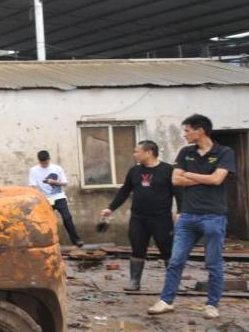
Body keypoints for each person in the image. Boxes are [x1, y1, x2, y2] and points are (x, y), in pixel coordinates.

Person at [149, 114, 235, 319]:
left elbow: (217, 180)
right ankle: (166, 301)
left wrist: (189, 174)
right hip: (187, 216)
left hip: (213, 216)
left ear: (200, 130)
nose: (184, 134)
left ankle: (212, 305)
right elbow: (176, 180)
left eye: (187, 130)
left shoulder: (224, 152)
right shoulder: (186, 152)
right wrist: (204, 178)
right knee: (176, 260)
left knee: (213, 262)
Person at [99, 140, 178, 291]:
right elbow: (124, 191)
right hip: (138, 218)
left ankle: (173, 283)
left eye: (137, 151)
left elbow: (179, 193)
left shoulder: (168, 170)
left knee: (167, 249)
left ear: (149, 153)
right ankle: (134, 282)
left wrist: (181, 212)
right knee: (137, 248)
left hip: (161, 218)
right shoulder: (134, 171)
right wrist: (111, 208)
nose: (134, 154)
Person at [28, 151, 83, 247]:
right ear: (39, 161)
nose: (44, 164)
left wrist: (54, 182)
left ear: (49, 159)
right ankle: (44, 243)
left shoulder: (57, 168)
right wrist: (39, 197)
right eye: (42, 163)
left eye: (45, 162)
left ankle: (76, 240)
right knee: (43, 221)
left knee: (67, 218)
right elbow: (32, 186)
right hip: (44, 199)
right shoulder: (33, 170)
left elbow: (65, 183)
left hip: (59, 197)